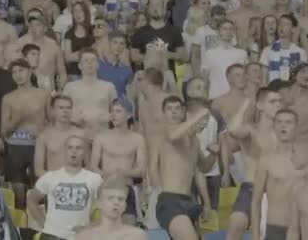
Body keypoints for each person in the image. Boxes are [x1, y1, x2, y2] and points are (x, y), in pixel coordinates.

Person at [149, 95, 217, 240]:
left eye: (206, 119)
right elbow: (173, 135)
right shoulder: (165, 132)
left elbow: (203, 169)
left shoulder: (195, 141)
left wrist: (213, 154)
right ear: (189, 115)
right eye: (169, 109)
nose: (205, 123)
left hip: (189, 200)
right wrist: (198, 115)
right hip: (169, 201)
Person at [226, 89, 282, 240]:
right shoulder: (251, 130)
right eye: (272, 102)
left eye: (279, 102)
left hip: (277, 190)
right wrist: (246, 103)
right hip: (252, 187)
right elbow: (232, 130)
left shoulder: (284, 133)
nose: (278, 105)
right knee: (236, 223)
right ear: (260, 105)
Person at [27, 135, 103, 240]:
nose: (74, 151)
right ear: (64, 151)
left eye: (78, 148)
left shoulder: (95, 179)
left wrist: (91, 227)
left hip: (80, 236)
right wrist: (43, 222)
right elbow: (31, 199)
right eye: (70, 147)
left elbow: (106, 207)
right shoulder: (50, 177)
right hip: (51, 235)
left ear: (84, 153)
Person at [1, 58, 49, 208]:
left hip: (38, 145)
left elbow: (52, 122)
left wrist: (42, 134)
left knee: (40, 187)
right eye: (14, 72)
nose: (17, 75)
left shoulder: (43, 95)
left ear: (29, 72)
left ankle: (39, 223)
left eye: (21, 70)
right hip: (16, 145)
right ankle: (20, 222)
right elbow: (4, 131)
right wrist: (17, 119)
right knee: (18, 191)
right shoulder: (8, 98)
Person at [90, 100, 146, 219]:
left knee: (129, 227)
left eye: (118, 111)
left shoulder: (137, 139)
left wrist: (124, 172)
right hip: (106, 188)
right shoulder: (101, 137)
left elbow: (141, 170)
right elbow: (93, 167)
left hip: (126, 188)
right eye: (112, 111)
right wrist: (106, 175)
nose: (113, 115)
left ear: (129, 115)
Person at [251, 109, 299, 240]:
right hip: (276, 228)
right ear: (274, 126)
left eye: (288, 122)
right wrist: (255, 236)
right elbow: (256, 201)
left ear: (296, 127)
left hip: (303, 228)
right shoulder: (266, 160)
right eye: (279, 122)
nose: (283, 126)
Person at [63, 48, 117, 139]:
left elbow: (117, 113)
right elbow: (62, 113)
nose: (90, 63)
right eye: (86, 60)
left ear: (98, 64)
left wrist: (110, 117)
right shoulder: (70, 87)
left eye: (93, 60)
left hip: (103, 137)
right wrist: (73, 119)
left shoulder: (109, 87)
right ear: (79, 65)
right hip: (77, 139)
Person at [74, 175, 147, 240]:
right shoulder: (84, 237)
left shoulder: (138, 236)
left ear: (125, 206)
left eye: (120, 199)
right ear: (99, 204)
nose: (116, 202)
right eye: (110, 198)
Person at [35, 95, 85, 178]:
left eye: (68, 108)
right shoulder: (44, 136)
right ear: (53, 111)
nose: (65, 111)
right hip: (53, 183)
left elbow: (88, 166)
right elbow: (38, 170)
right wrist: (56, 180)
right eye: (61, 108)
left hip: (77, 182)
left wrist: (76, 179)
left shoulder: (81, 134)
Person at [16, 10, 67, 90]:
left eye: (38, 25)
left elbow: (62, 73)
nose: (34, 28)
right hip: (27, 92)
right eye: (31, 25)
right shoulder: (21, 44)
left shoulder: (54, 47)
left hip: (48, 92)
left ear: (45, 28)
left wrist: (60, 91)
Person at [202, 19, 247, 99]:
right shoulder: (209, 54)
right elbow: (205, 80)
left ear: (233, 32)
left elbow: (246, 79)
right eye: (225, 29)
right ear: (218, 32)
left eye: (231, 29)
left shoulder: (242, 53)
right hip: (215, 97)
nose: (228, 32)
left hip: (236, 99)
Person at [259, 14, 306, 82]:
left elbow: (302, 78)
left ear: (293, 29)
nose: (282, 27)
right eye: (280, 24)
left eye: (286, 24)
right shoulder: (267, 50)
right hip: (273, 90)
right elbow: (263, 81)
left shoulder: (300, 52)